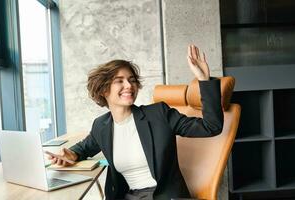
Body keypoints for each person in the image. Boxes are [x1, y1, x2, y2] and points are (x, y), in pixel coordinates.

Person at [47, 44, 223, 200]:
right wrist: (71, 154)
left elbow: (211, 127)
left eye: (132, 80)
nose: (129, 86)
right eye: (119, 81)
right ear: (103, 90)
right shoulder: (101, 125)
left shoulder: (158, 114)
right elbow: (86, 146)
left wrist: (203, 80)